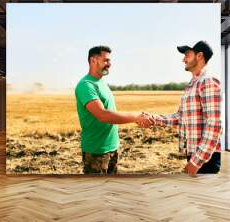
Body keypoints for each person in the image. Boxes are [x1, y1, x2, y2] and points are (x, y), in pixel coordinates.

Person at [141, 41, 222, 176]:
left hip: (206, 159)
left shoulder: (208, 81)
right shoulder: (193, 84)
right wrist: (153, 119)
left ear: (199, 56)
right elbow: (180, 117)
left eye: (187, 55)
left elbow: (214, 124)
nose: (183, 59)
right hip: (195, 153)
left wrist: (197, 161)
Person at [75, 45, 154, 174]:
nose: (109, 64)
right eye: (106, 60)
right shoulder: (86, 85)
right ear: (93, 60)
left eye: (110, 61)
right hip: (96, 151)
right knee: (96, 192)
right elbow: (103, 115)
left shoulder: (101, 82)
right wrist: (136, 117)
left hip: (112, 148)